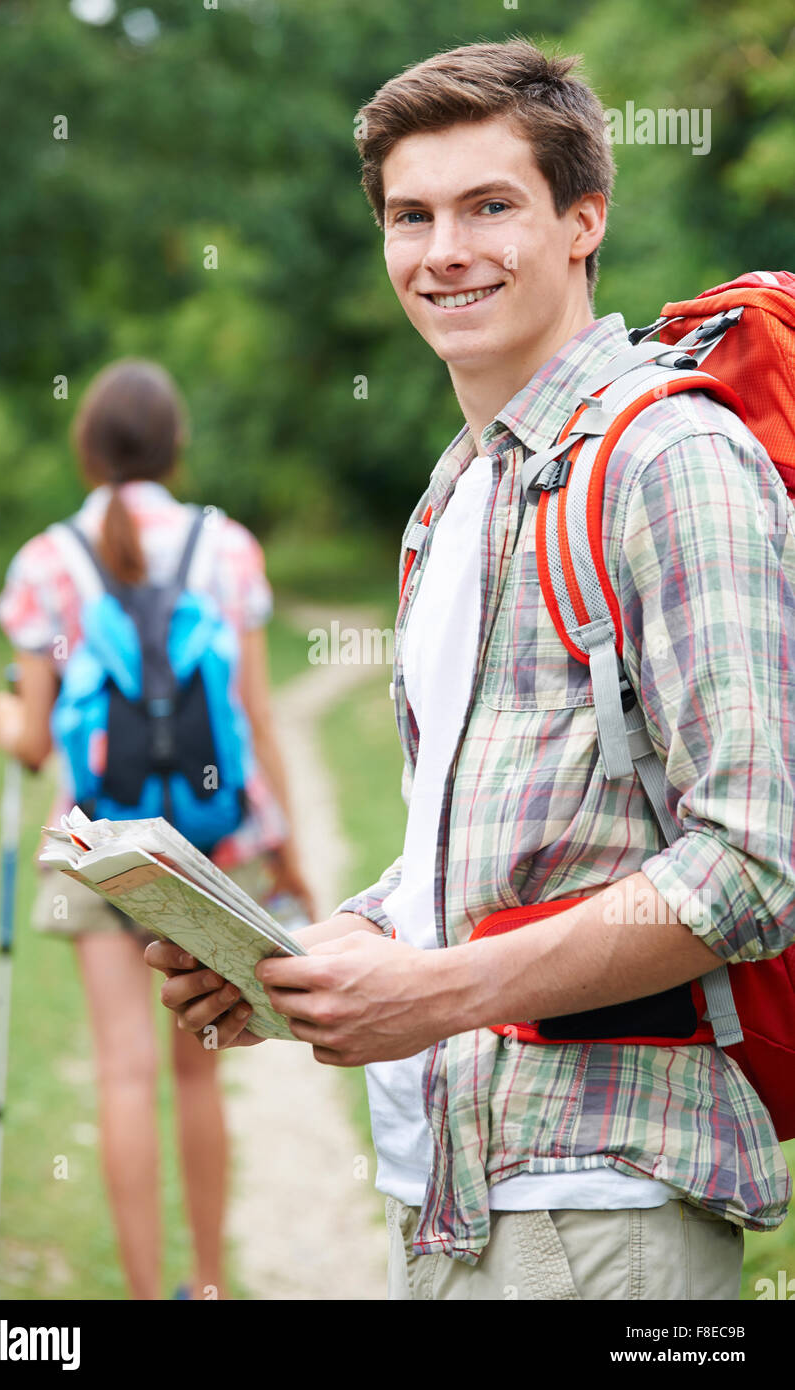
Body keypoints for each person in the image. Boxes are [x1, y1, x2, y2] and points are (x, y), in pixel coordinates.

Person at [146, 40, 795, 1300]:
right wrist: (302, 957)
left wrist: (434, 993)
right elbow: (476, 850)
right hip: (444, 1185)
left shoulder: (669, 464)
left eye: (489, 205)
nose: (443, 249)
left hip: (607, 1213)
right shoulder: (456, 494)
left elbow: (755, 858)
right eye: (410, 215)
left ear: (580, 222)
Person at [0, 358, 314, 1300]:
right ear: (177, 446)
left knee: (123, 1076)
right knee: (199, 1073)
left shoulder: (46, 561)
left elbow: (34, 733)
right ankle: (206, 1287)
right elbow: (251, 713)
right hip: (206, 847)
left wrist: (1, 721)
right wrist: (283, 843)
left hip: (96, 850)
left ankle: (140, 1296)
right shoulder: (228, 547)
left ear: (87, 447)